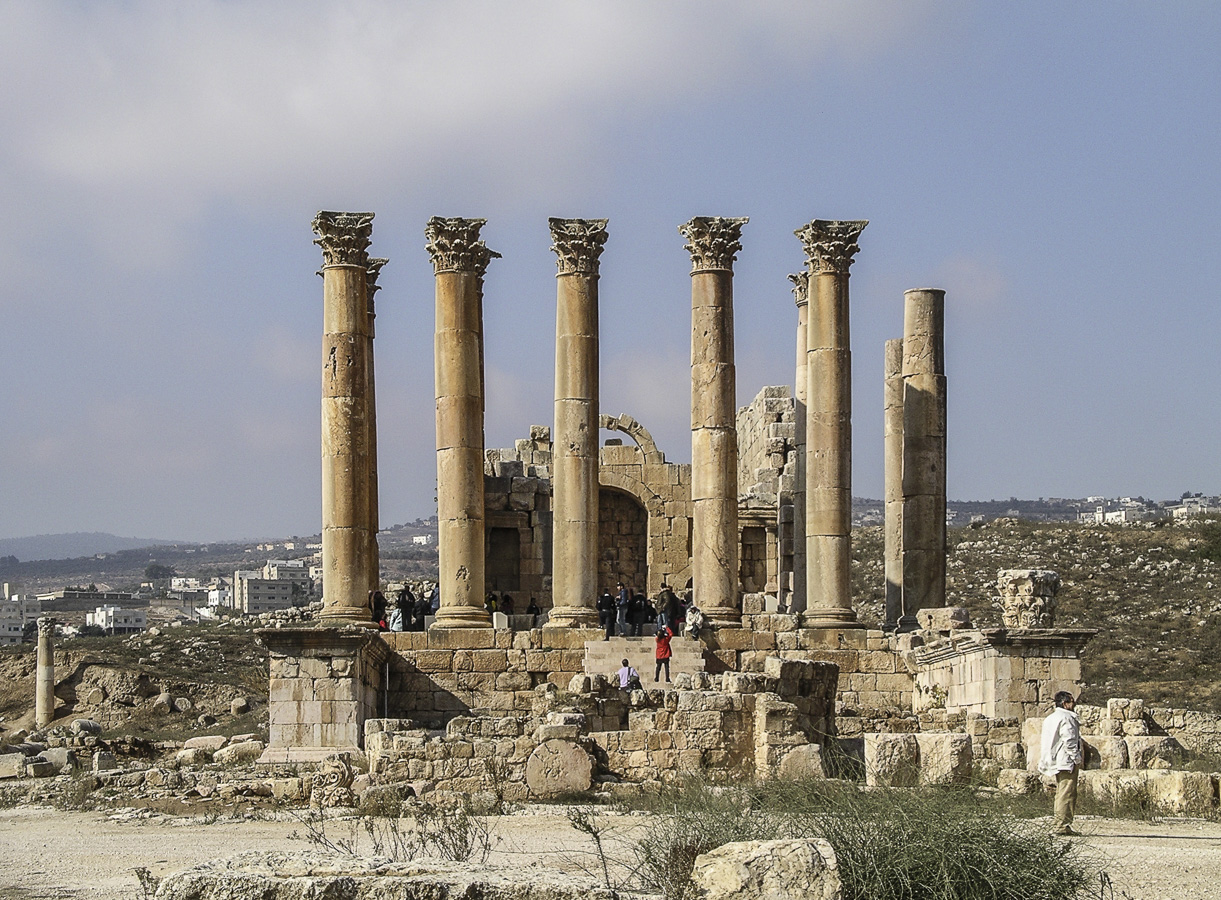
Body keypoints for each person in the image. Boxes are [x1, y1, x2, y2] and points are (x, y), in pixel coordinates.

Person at [1039, 691, 1084, 836]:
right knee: (1067, 793)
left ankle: (1060, 823)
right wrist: (1077, 758)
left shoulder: (1050, 718)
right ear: (1065, 703)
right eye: (1071, 701)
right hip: (1066, 760)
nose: (1074, 704)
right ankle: (1061, 826)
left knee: (1061, 792)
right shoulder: (1067, 718)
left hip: (1054, 760)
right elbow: (1069, 741)